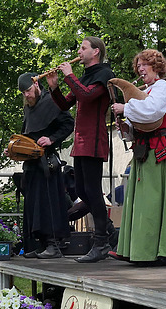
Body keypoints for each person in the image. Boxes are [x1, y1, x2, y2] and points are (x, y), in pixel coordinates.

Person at [110, 49, 166, 265]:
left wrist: (126, 107)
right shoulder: (147, 91)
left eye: (145, 65)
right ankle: (139, 250)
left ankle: (156, 253)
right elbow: (139, 123)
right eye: (139, 66)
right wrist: (125, 126)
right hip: (145, 151)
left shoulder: (161, 87)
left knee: (153, 202)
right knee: (141, 203)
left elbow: (152, 112)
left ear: (156, 66)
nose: (140, 69)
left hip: (159, 151)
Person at [47, 36, 116, 263]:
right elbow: (66, 104)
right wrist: (55, 87)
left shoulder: (103, 74)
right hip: (81, 141)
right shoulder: (86, 75)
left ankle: (101, 242)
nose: (79, 51)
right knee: (84, 192)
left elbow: (86, 96)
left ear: (95, 52)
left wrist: (69, 75)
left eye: (83, 48)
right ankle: (107, 231)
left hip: (94, 140)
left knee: (93, 191)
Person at [16, 72, 74, 259]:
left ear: (36, 85)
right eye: (23, 92)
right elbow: (26, 135)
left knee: (48, 204)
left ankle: (53, 245)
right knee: (34, 205)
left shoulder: (52, 102)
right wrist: (15, 150)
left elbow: (68, 124)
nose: (26, 95)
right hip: (31, 165)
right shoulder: (28, 108)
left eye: (28, 90)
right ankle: (41, 244)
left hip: (47, 163)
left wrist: (51, 139)